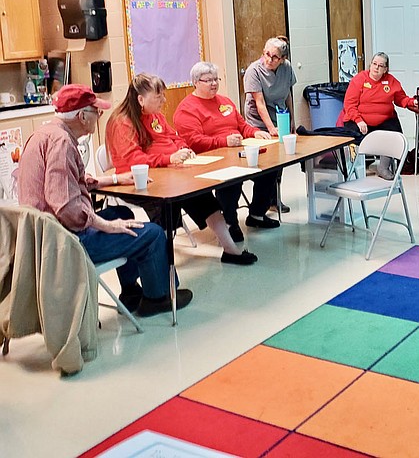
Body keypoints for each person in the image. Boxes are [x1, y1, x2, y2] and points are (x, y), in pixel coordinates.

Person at [17, 84, 192, 317]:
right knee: (153, 233)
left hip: (41, 237)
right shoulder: (62, 144)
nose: (99, 117)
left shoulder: (45, 134)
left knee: (124, 215)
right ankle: (156, 298)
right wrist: (106, 226)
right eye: (95, 112)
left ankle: (130, 292)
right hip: (64, 241)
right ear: (81, 116)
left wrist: (115, 179)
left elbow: (73, 181)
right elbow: (66, 206)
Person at [105, 73, 258, 266]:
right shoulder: (122, 122)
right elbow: (132, 160)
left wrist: (182, 148)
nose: (164, 100)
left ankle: (230, 250)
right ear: (140, 99)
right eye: (158, 96)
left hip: (169, 175)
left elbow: (173, 137)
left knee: (202, 196)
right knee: (168, 207)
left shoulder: (155, 115)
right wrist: (169, 158)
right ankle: (163, 269)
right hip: (138, 183)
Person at [173, 61, 280, 242]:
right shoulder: (186, 109)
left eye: (216, 79)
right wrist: (223, 141)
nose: (214, 84)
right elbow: (193, 141)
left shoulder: (225, 101)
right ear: (195, 82)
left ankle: (257, 214)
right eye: (208, 80)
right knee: (232, 179)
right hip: (209, 161)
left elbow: (242, 126)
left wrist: (255, 132)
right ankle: (229, 223)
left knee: (270, 167)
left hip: (237, 153)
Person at [342, 52, 416, 179]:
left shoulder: (391, 81)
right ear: (370, 65)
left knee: (394, 133)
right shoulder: (359, 79)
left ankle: (383, 167)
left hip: (384, 119)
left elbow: (401, 99)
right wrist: (358, 120)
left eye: (380, 66)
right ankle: (355, 166)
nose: (376, 68)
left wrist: (413, 101)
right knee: (352, 134)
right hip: (359, 119)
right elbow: (349, 104)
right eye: (374, 64)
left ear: (385, 69)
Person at [243, 36, 296, 214]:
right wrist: (270, 128)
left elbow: (288, 94)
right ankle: (262, 203)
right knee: (266, 162)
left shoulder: (286, 68)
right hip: (258, 120)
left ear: (282, 59)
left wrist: (292, 120)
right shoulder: (254, 71)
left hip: (279, 115)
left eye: (275, 57)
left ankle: (274, 199)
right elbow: (260, 103)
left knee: (279, 161)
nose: (269, 60)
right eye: (267, 54)